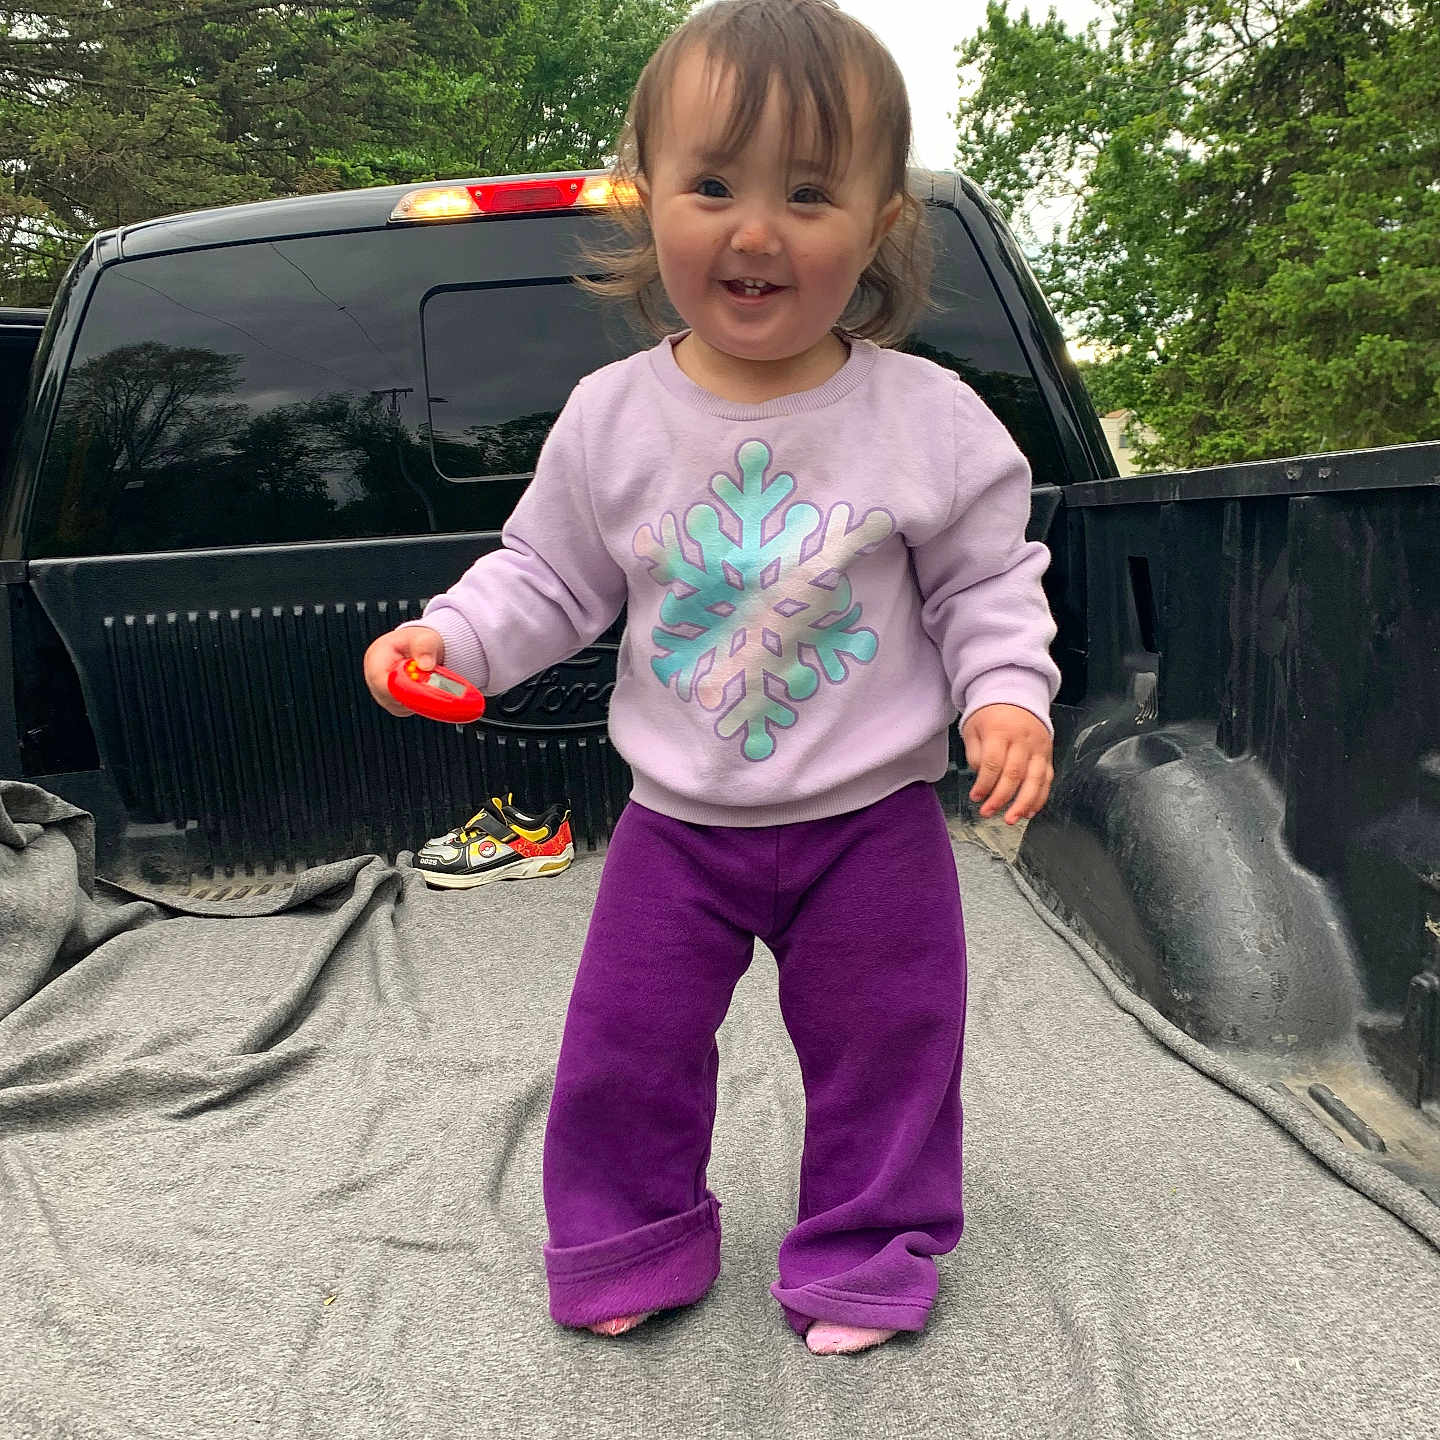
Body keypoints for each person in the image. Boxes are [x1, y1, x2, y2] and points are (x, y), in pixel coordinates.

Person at [362, 0, 1059, 1356]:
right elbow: (549, 581)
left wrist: (1007, 697)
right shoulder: (613, 419)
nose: (756, 229)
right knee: (623, 1052)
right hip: (679, 829)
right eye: (713, 185)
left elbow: (985, 585)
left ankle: (868, 1249)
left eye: (808, 192)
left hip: (874, 827)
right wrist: (449, 638)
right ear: (648, 204)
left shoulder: (928, 420)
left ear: (877, 226)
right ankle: (627, 1238)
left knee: (891, 1054)